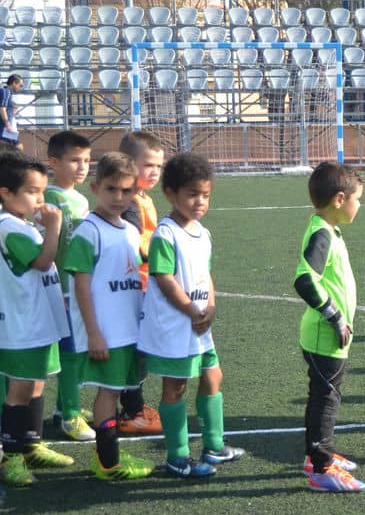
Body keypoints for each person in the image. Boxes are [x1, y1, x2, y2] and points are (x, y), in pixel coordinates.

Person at [138, 152, 244, 478]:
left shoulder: (203, 233)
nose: (199, 202)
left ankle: (214, 446)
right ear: (170, 194)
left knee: (213, 376)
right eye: (192, 194)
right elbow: (164, 278)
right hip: (174, 326)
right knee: (176, 387)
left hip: (199, 322)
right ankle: (177, 456)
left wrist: (209, 305)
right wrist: (189, 308)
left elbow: (205, 276)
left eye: (205, 195)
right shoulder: (165, 234)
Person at [64, 152, 155, 481]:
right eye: (112, 189)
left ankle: (108, 454)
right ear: (95, 187)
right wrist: (94, 333)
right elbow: (82, 287)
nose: (119, 197)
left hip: (129, 329)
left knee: (116, 391)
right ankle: (108, 462)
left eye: (127, 191)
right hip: (107, 332)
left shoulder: (130, 231)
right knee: (108, 392)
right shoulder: (89, 232)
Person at [0, 149, 75, 487]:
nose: (40, 199)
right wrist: (54, 227)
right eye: (32, 191)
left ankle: (31, 444)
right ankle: (11, 456)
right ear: (6, 193)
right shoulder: (7, 227)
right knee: (19, 389)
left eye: (42, 192)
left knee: (38, 381)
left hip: (41, 321)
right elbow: (44, 261)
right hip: (22, 325)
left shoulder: (24, 225)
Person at [294, 161, 365, 492]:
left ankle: (319, 454)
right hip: (325, 335)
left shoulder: (326, 228)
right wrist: (334, 316)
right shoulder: (322, 232)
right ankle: (320, 468)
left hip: (330, 336)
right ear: (339, 199)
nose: (359, 206)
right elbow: (305, 279)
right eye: (357, 199)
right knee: (325, 399)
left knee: (326, 396)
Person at [44, 130, 95, 441]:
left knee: (76, 351)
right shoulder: (50, 198)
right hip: (60, 288)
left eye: (87, 160)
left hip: (77, 287)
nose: (82, 166)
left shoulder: (80, 198)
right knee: (70, 353)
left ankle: (66, 407)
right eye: (74, 160)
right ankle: (70, 417)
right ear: (53, 162)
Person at [117, 130, 165, 435]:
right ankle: (132, 410)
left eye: (158, 166)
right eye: (148, 164)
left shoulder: (143, 198)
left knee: (141, 351)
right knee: (138, 351)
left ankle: (133, 406)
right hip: (137, 287)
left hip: (145, 285)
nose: (154, 172)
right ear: (128, 163)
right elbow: (134, 243)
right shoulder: (131, 201)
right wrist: (165, 256)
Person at [0, 75, 24, 150]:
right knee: (18, 148)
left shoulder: (6, 92)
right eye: (20, 85)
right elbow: (2, 109)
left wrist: (13, 108)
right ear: (14, 83)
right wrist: (8, 125)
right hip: (4, 128)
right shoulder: (6, 92)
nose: (20, 87)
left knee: (8, 150)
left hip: (4, 127)